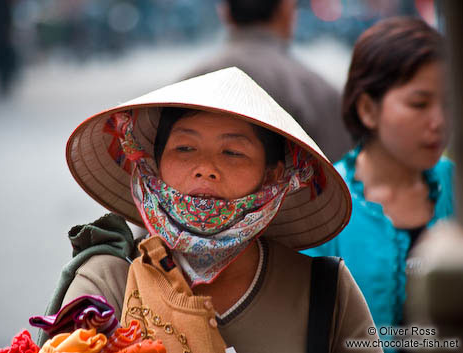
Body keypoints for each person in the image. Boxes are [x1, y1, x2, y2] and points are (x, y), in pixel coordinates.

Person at [57, 67, 380, 353]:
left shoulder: (324, 288)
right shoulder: (105, 285)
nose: (205, 168)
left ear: (272, 175)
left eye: (232, 152)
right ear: (155, 166)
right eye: (184, 148)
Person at [302, 17, 454, 330]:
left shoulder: (456, 184)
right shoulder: (324, 205)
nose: (439, 120)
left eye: (449, 103)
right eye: (419, 103)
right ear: (368, 109)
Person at [184, 0, 352, 162]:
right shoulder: (317, 92)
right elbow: (340, 176)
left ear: (225, 12)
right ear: (286, 10)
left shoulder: (189, 85)